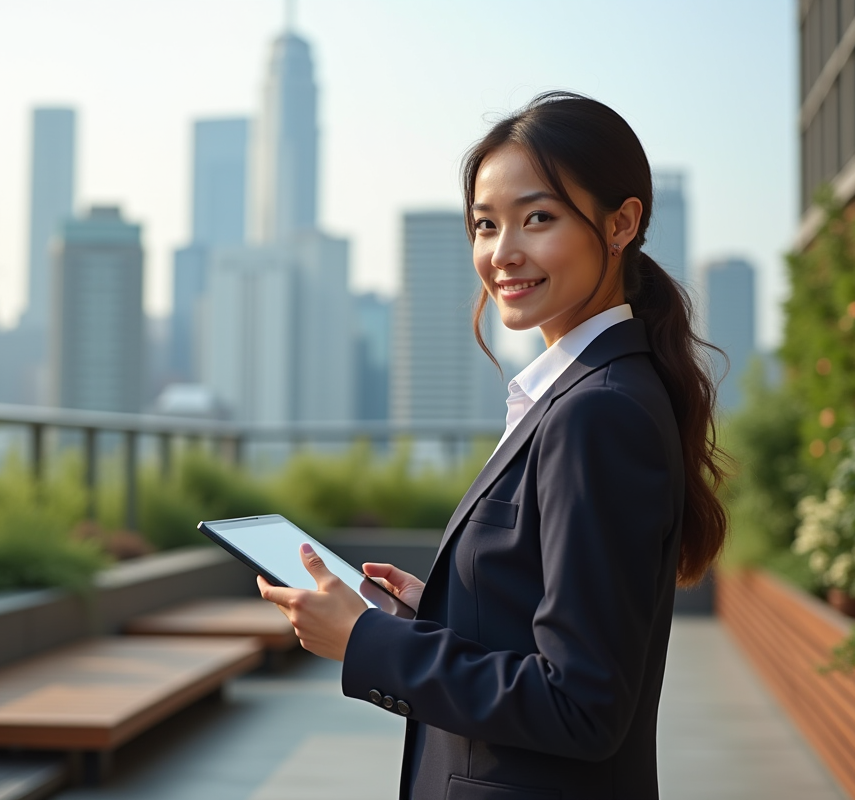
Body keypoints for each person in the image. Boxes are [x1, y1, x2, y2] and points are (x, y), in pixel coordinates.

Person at [258, 92, 729, 800]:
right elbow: (551, 626)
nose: (503, 253)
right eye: (485, 225)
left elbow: (583, 705)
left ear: (620, 223)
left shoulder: (595, 412)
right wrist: (443, 613)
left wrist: (369, 643)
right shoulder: (581, 394)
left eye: (538, 218)